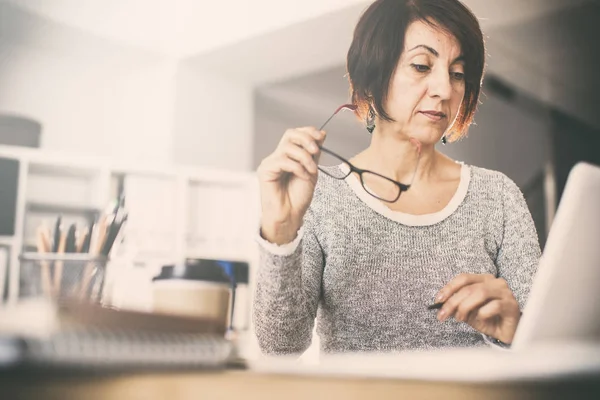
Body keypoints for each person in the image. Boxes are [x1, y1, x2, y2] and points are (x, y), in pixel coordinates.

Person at [253, 0, 541, 355]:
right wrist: (280, 232)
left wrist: (516, 329)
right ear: (372, 79)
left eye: (457, 73)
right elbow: (280, 347)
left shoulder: (498, 197)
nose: (445, 90)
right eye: (422, 66)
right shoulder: (321, 195)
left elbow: (545, 345)